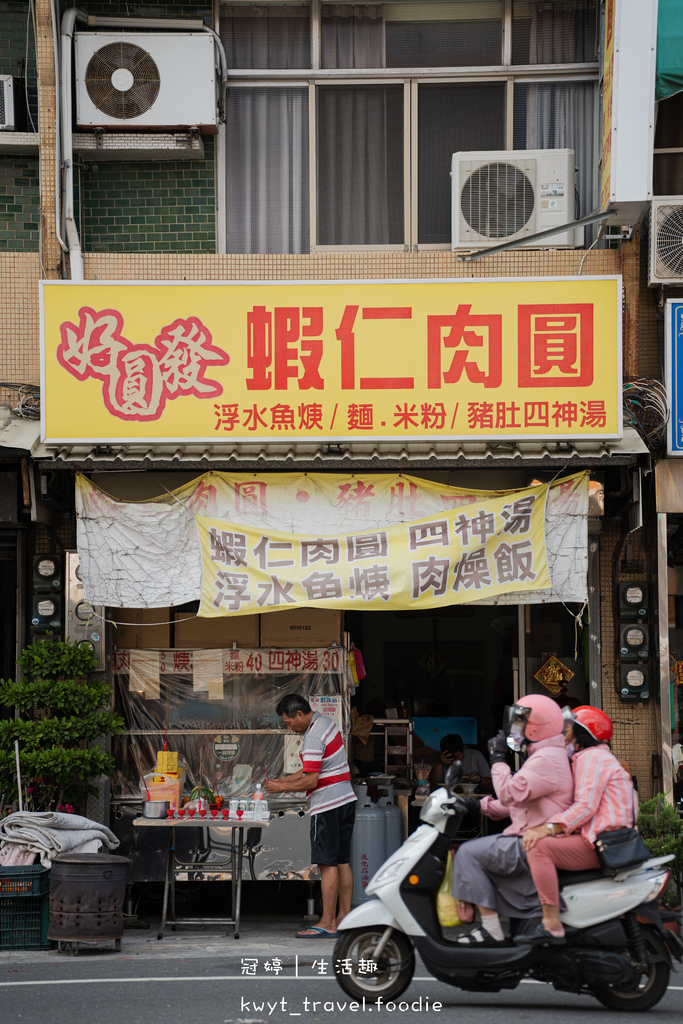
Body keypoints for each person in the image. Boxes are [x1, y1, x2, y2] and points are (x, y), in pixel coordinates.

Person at [451, 694, 574, 945]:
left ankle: (490, 930)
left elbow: (508, 793)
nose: (516, 729)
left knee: (468, 853)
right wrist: (478, 806)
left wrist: (498, 760)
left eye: (521, 722)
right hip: (531, 833)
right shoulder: (546, 755)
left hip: (532, 839)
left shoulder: (546, 759)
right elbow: (519, 802)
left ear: (536, 726)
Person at [517, 705, 637, 945]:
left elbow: (585, 807)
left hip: (603, 843)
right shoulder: (590, 757)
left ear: (582, 733)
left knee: (538, 847)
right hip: (602, 838)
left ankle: (551, 922)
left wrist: (546, 828)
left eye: (567, 727)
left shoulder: (592, 758)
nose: (562, 731)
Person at [264, 694, 357, 939]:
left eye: (288, 722)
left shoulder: (313, 737)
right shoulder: (325, 723)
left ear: (299, 715)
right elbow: (312, 770)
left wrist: (280, 788)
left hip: (327, 804)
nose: (289, 727)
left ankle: (327, 923)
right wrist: (281, 781)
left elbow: (311, 780)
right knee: (342, 861)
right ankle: (344, 918)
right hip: (345, 800)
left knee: (327, 864)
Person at [428, 733, 492, 793]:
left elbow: (492, 785)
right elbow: (431, 788)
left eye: (457, 756)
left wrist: (479, 779)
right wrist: (438, 763)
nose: (453, 761)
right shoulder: (437, 758)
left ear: (464, 749)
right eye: (449, 757)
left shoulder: (475, 756)